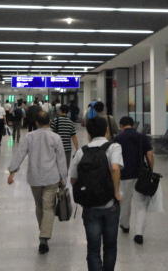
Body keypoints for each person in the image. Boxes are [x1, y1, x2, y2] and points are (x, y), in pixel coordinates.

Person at [8, 111, 67, 254]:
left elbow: (20, 153)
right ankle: (44, 236)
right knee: (49, 207)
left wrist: (12, 171)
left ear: (36, 123)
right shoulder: (55, 137)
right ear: (49, 121)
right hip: (52, 177)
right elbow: (61, 159)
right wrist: (63, 178)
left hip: (35, 178)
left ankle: (43, 233)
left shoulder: (29, 136)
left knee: (39, 206)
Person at [70, 116, 124, 271]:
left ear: (88, 132)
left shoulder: (81, 151)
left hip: (90, 206)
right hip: (110, 205)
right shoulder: (114, 147)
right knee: (110, 246)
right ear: (106, 130)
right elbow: (115, 168)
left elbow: (73, 179)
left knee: (93, 249)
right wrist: (116, 192)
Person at [114, 116, 154, 245]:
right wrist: (151, 170)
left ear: (121, 126)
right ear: (132, 125)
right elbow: (150, 154)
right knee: (141, 204)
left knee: (124, 202)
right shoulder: (142, 137)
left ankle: (125, 225)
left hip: (124, 175)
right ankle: (139, 233)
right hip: (140, 174)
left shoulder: (118, 138)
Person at [50, 104, 79, 171]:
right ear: (68, 112)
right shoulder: (71, 122)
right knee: (65, 168)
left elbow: (50, 134)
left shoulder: (55, 121)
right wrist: (77, 149)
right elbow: (74, 137)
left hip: (56, 148)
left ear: (60, 111)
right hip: (67, 149)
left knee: (56, 168)